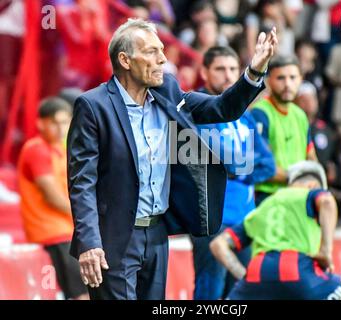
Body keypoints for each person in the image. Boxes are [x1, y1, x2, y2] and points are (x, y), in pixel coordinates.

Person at [67, 18, 278, 300]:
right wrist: (89, 242)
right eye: (152, 52)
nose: (163, 59)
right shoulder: (93, 106)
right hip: (112, 239)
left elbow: (222, 108)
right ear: (125, 60)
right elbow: (82, 182)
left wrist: (254, 71)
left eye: (162, 50)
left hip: (156, 235)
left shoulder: (167, 91)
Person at [210, 160, 341, 300]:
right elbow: (327, 203)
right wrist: (326, 251)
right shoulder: (308, 194)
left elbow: (218, 245)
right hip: (298, 271)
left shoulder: (262, 207)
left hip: (258, 273)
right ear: (313, 184)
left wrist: (244, 275)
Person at [190, 46, 276, 300]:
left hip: (244, 219)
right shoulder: (197, 112)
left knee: (240, 293)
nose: (228, 76)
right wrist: (238, 166)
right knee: (210, 293)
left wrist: (239, 171)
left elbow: (267, 165)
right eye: (220, 69)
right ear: (204, 72)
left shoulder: (244, 117)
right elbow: (225, 162)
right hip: (212, 220)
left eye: (232, 69)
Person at [17, 97, 89, 300]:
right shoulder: (36, 149)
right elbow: (52, 196)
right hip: (54, 233)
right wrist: (86, 217)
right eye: (55, 122)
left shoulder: (61, 150)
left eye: (65, 122)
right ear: (41, 123)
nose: (61, 128)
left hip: (68, 230)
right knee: (81, 295)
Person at [251, 55, 317, 205]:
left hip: (299, 193)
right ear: (268, 81)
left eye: (293, 77)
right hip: (269, 196)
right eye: (281, 78)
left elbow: (311, 156)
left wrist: (316, 178)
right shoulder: (260, 114)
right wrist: (298, 178)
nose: (288, 84)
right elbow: (261, 165)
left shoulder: (300, 115)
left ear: (301, 79)